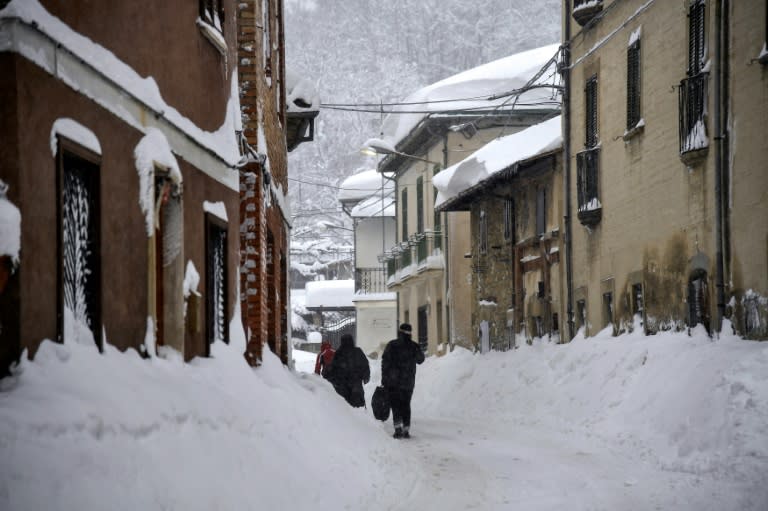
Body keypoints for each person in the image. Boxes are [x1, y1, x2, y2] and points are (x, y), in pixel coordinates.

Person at [381, 323, 425, 439]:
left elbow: (385, 363)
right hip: (408, 382)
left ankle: (398, 429)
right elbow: (421, 360)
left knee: (395, 405)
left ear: (399, 332)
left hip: (393, 381)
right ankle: (406, 430)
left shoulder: (392, 345)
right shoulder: (413, 346)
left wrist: (384, 378)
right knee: (406, 404)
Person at [324, 334, 370, 407]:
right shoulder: (357, 351)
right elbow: (365, 365)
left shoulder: (339, 353)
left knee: (345, 408)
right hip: (355, 385)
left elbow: (332, 369)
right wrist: (366, 377)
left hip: (342, 386)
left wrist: (329, 378)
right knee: (356, 408)